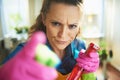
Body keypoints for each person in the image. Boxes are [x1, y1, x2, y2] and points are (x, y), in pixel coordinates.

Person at [0, 0, 99, 80]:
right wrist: (5, 75)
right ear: (44, 19)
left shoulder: (80, 46)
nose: (62, 35)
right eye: (56, 23)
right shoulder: (25, 51)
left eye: (72, 26)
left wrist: (90, 74)